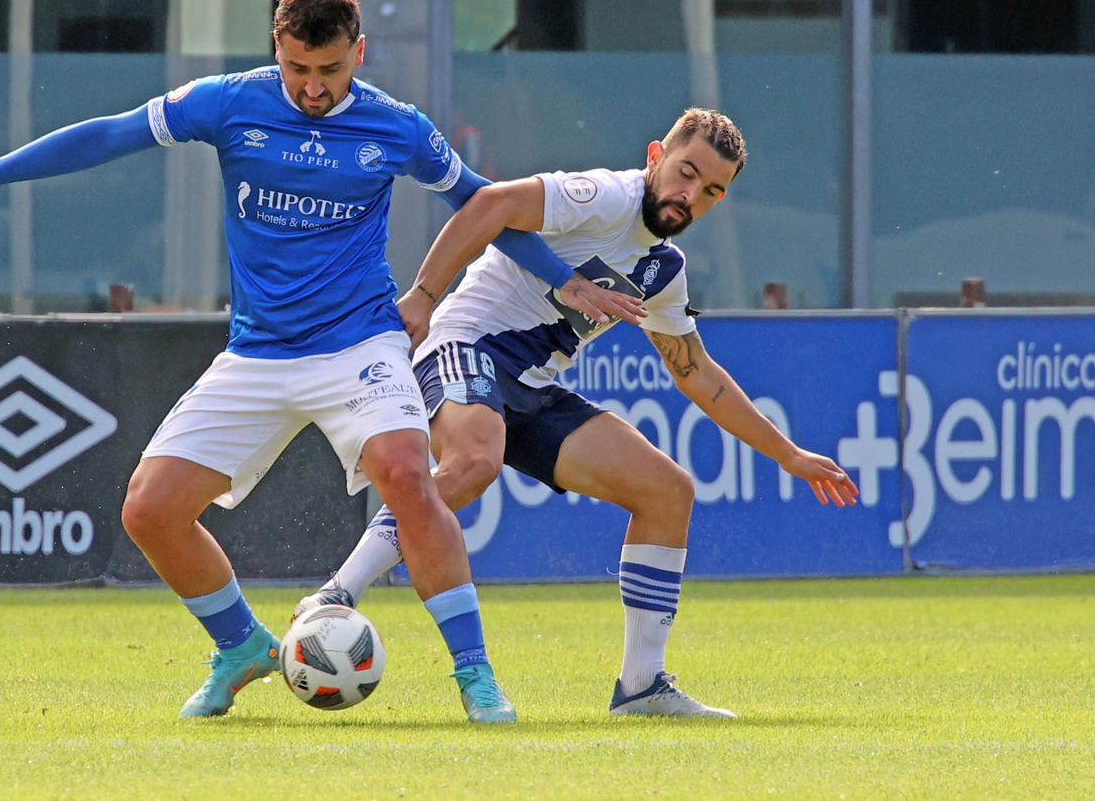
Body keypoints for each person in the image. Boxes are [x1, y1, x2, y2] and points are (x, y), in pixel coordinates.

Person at [0, 0, 644, 722]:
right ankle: (240, 646)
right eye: (298, 70)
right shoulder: (230, 101)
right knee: (149, 510)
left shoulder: (398, 127)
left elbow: (486, 205)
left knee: (406, 474)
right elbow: (111, 132)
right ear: (278, 50)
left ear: (358, 53)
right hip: (257, 354)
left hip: (359, 344)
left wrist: (563, 279)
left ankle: (476, 676)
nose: (313, 87)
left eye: (329, 71)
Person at [293, 108, 861, 717]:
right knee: (474, 462)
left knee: (667, 491)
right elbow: (488, 206)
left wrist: (791, 454)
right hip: (467, 345)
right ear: (654, 157)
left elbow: (694, 373)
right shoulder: (604, 197)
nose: (690, 195)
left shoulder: (664, 270)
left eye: (712, 190)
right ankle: (336, 594)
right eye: (685, 173)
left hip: (533, 388)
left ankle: (641, 687)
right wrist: (425, 298)